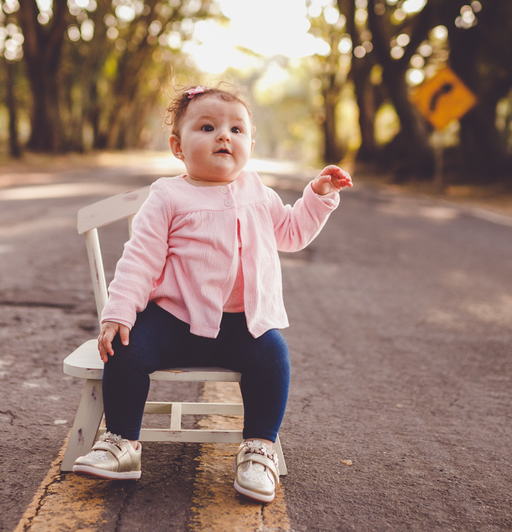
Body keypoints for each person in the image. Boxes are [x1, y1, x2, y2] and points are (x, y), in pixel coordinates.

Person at [72, 85, 352, 503]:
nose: (225, 136)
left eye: (236, 129)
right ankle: (122, 442)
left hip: (242, 323)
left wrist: (318, 197)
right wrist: (119, 314)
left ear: (250, 145)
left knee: (273, 357)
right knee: (125, 351)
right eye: (208, 127)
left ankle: (258, 449)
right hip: (173, 320)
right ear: (178, 147)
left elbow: (291, 234)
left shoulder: (258, 192)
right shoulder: (167, 196)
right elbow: (140, 259)